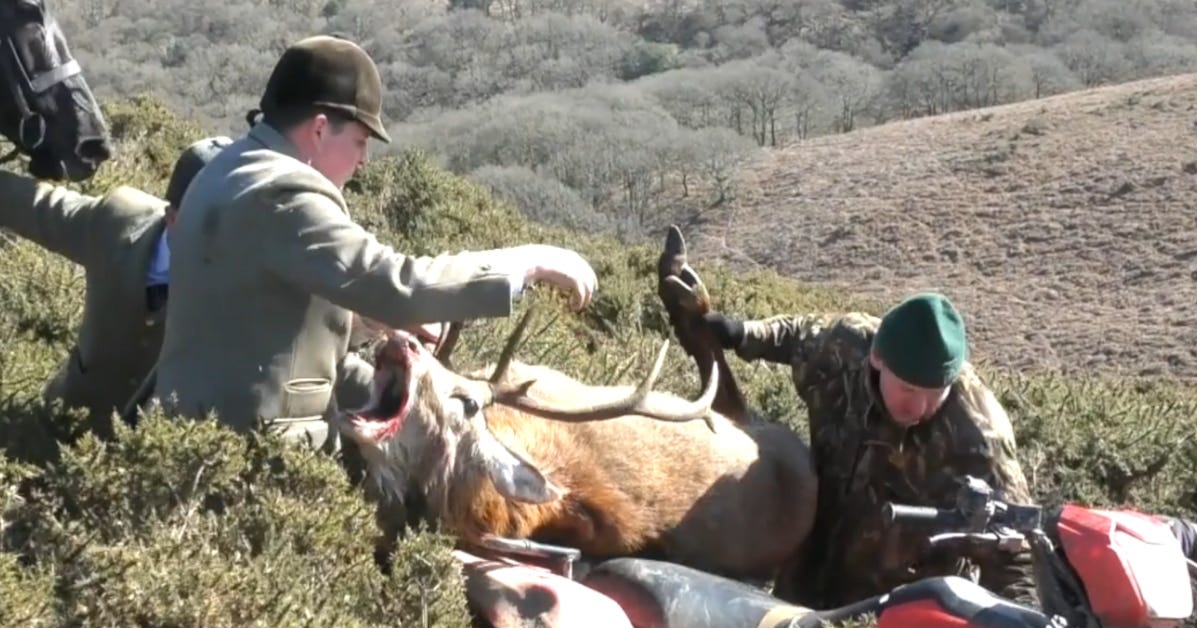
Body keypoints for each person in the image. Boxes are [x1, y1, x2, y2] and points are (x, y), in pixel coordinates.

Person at [148, 35, 599, 453]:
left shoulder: (223, 169)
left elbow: (259, 320)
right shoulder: (284, 192)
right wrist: (523, 263)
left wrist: (366, 323)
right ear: (321, 129)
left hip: (192, 440)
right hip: (256, 457)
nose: (364, 161)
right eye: (361, 140)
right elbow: (396, 282)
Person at [661, 253, 1035, 607]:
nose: (919, 408)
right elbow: (797, 335)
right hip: (806, 577)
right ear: (877, 358)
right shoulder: (848, 346)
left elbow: (1015, 552)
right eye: (907, 389)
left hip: (896, 609)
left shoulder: (980, 437)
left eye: (935, 394)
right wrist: (741, 333)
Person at [0, 136, 231, 438]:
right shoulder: (119, 221)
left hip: (161, 458)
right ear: (172, 217)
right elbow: (41, 209)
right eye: (208, 226)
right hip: (62, 423)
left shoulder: (249, 277)